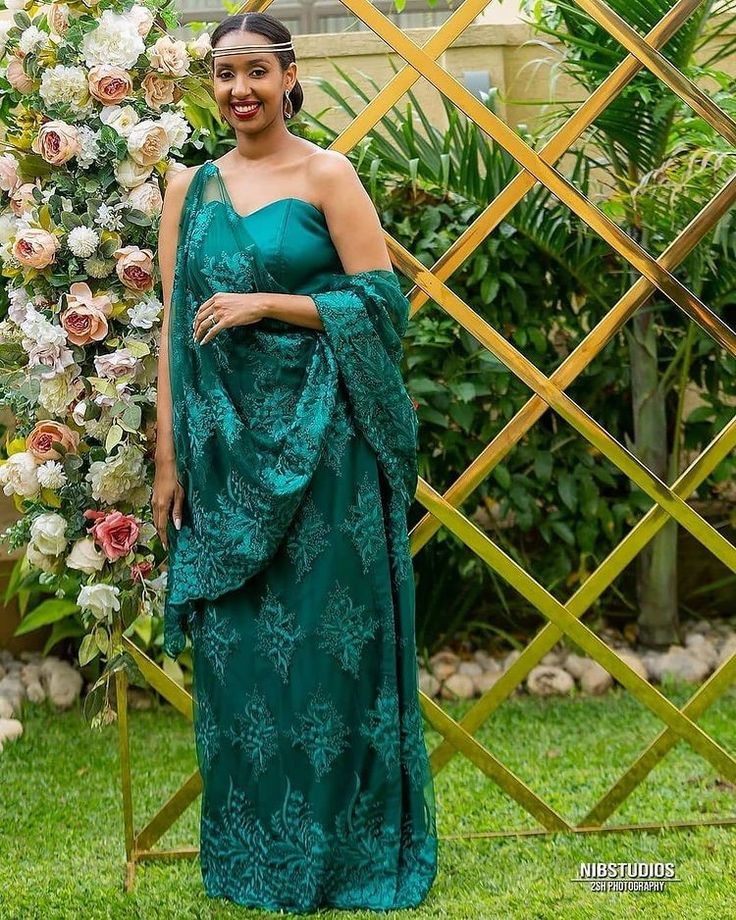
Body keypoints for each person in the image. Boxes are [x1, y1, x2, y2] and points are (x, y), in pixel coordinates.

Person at [153, 11, 438, 913]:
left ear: (288, 75)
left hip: (326, 459)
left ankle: (340, 860)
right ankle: (252, 859)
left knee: (326, 660)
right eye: (224, 74)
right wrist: (168, 457)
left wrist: (272, 304)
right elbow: (171, 334)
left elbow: (383, 304)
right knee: (238, 660)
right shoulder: (189, 189)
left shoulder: (327, 172)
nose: (240, 91)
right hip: (222, 457)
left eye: (255, 73)